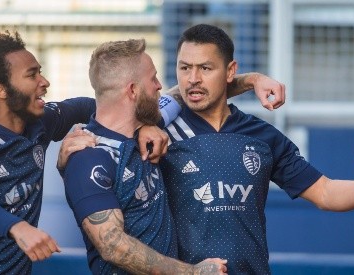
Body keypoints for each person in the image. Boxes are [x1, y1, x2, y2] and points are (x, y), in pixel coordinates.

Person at [0, 30, 178, 274]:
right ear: (0, 90)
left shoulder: (39, 123)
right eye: (32, 75)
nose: (44, 82)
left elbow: (105, 107)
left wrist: (144, 125)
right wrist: (18, 228)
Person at [160, 23, 354, 274]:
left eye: (205, 68)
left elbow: (324, 192)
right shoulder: (160, 132)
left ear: (230, 71)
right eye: (184, 68)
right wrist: (252, 80)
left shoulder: (261, 136)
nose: (193, 79)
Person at [62, 38, 233, 275]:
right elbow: (113, 247)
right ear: (133, 90)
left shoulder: (145, 129)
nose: (159, 85)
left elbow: (187, 94)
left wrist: (254, 80)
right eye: (153, 79)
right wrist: (193, 272)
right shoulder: (90, 157)